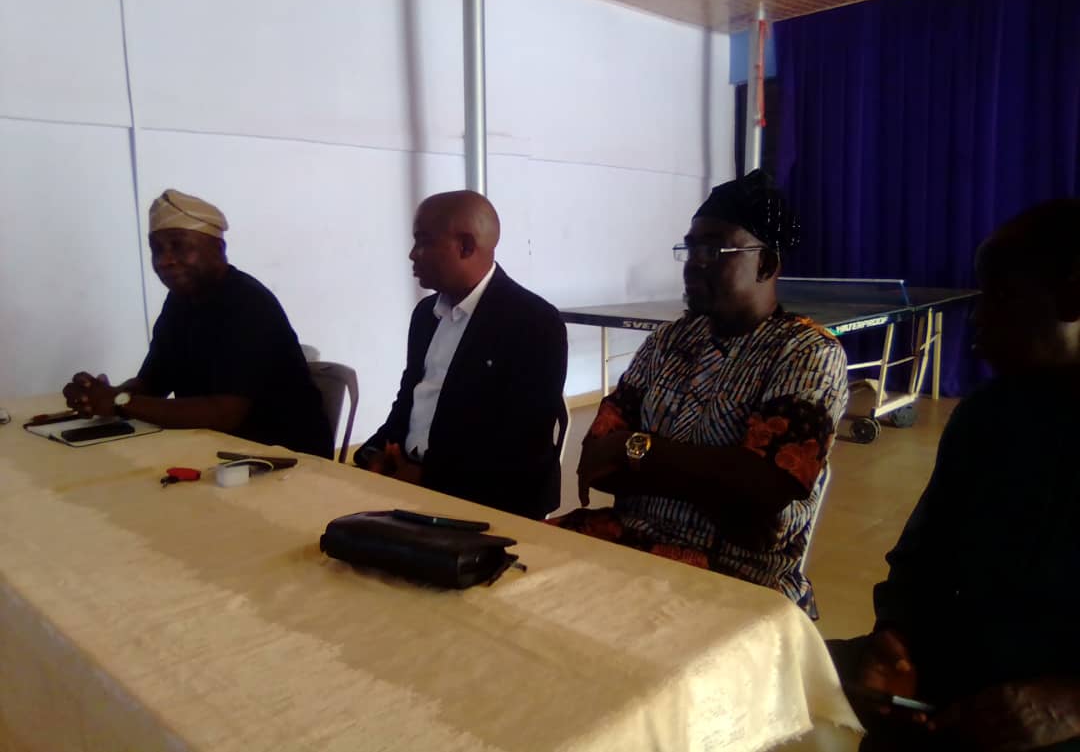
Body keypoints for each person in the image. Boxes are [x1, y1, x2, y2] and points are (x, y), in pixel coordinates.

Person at [831, 198, 1080, 752]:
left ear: (1072, 297)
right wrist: (894, 639)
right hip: (958, 680)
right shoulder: (986, 417)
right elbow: (922, 559)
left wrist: (1067, 704)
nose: (978, 321)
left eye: (1001, 298)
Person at [552, 170, 848, 614]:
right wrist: (713, 476)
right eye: (690, 250)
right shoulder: (667, 341)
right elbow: (597, 460)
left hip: (739, 571)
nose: (693, 264)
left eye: (713, 250)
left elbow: (761, 497)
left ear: (766, 265)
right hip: (624, 539)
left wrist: (640, 451)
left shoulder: (807, 353)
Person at [63, 189, 333, 459]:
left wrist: (120, 402)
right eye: (156, 250)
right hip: (217, 450)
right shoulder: (180, 301)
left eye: (179, 246)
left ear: (219, 249)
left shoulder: (248, 304)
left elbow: (224, 414)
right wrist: (102, 395)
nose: (164, 261)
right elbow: (153, 383)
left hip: (286, 458)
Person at [354, 190, 568, 519]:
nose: (412, 254)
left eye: (423, 242)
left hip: (489, 503)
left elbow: (521, 445)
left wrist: (427, 478)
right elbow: (410, 400)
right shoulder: (426, 315)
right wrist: (375, 453)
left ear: (466, 247)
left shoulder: (534, 322)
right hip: (412, 484)